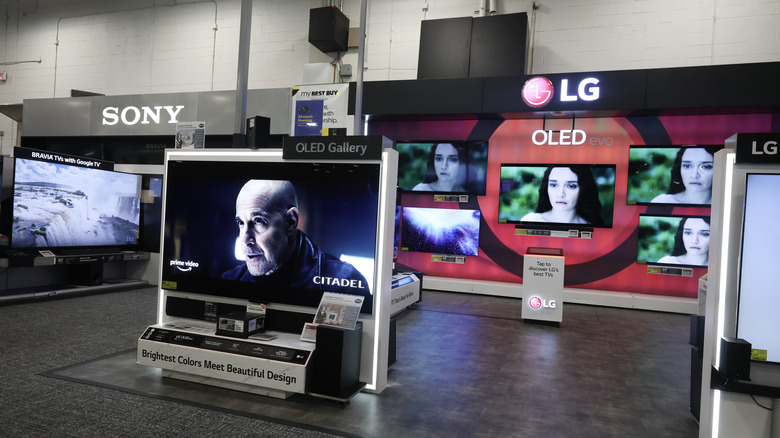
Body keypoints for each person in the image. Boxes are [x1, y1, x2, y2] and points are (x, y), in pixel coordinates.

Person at [221, 179, 370, 297]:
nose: (246, 239)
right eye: (241, 223)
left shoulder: (344, 282)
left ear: (290, 222)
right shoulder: (231, 279)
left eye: (259, 221)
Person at [520, 166, 604, 225]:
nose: (560, 194)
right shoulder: (530, 220)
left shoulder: (592, 227)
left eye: (571, 186)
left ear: (583, 189)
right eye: (554, 185)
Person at [651, 146, 719, 204]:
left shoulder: (725, 206)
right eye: (687, 166)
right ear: (679, 168)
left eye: (706, 167)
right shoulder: (663, 201)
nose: (694, 175)